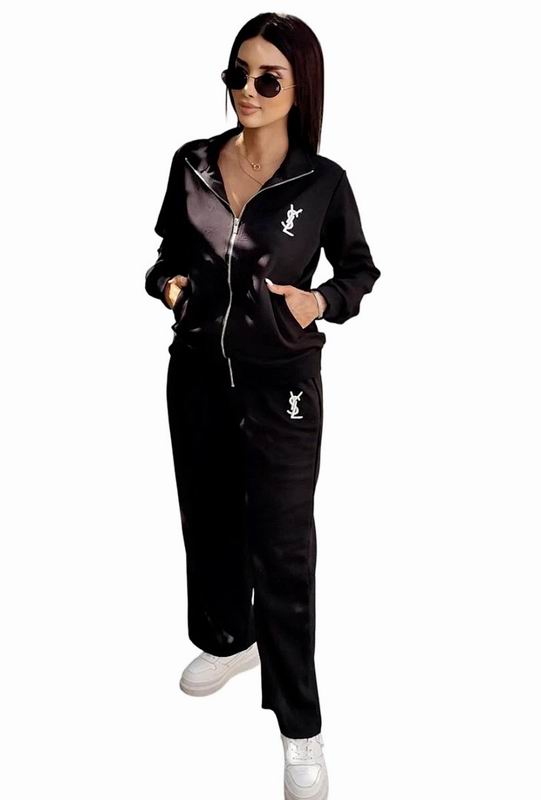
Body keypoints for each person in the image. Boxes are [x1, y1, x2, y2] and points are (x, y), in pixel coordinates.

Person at [145, 13, 381, 800]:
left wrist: (318, 302)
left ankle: (300, 726)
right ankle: (227, 637)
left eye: (266, 79)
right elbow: (165, 255)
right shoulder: (191, 163)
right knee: (208, 517)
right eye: (236, 74)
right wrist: (172, 286)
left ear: (298, 88)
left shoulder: (321, 183)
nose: (246, 90)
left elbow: (358, 272)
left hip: (282, 384)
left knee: (282, 549)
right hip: (195, 374)